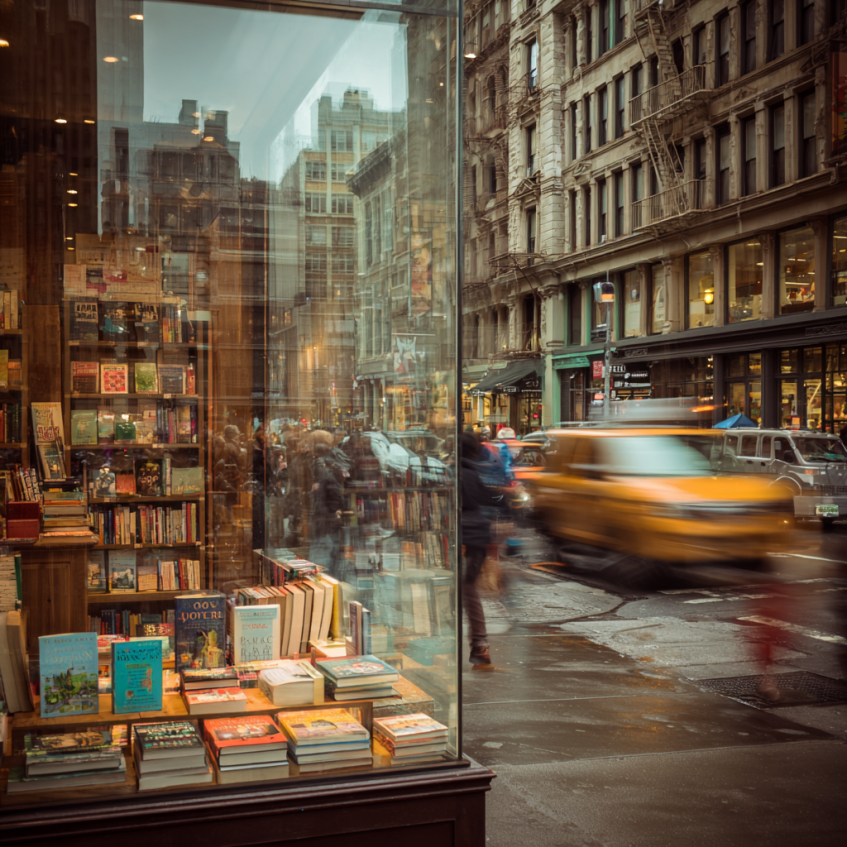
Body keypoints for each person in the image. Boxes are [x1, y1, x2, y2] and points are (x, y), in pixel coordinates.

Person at [460, 431, 497, 667]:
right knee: (469, 590)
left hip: (463, 536)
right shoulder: (475, 471)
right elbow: (490, 500)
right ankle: (480, 645)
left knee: (465, 589)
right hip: (476, 538)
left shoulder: (458, 473)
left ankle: (479, 644)